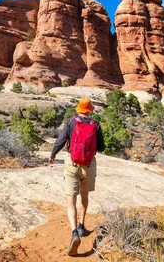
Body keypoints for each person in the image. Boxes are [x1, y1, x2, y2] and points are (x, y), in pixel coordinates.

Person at [48, 98, 105, 256]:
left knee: (70, 199)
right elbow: (101, 147)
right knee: (84, 196)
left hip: (72, 164)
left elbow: (60, 140)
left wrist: (53, 155)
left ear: (78, 109)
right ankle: (82, 226)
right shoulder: (95, 124)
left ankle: (74, 233)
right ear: (90, 110)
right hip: (88, 165)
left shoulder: (70, 122)